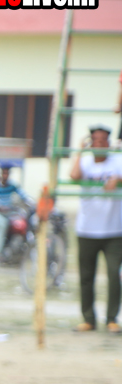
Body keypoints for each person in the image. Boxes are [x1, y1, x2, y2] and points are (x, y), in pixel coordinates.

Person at [68, 124, 122, 333]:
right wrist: (79, 152)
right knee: (86, 276)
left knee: (114, 275)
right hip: (87, 229)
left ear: (109, 143)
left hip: (114, 230)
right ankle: (88, 319)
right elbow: (74, 176)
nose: (100, 144)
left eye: (103, 141)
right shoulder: (85, 162)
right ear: (91, 143)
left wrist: (118, 179)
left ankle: (111, 319)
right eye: (96, 141)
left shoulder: (117, 161)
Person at [0, 165, 32, 258]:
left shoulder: (12, 185)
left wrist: (31, 203)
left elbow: (23, 195)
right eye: (4, 173)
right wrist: (1, 207)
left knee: (21, 220)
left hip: (9, 213)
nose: (5, 176)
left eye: (7, 173)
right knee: (2, 223)